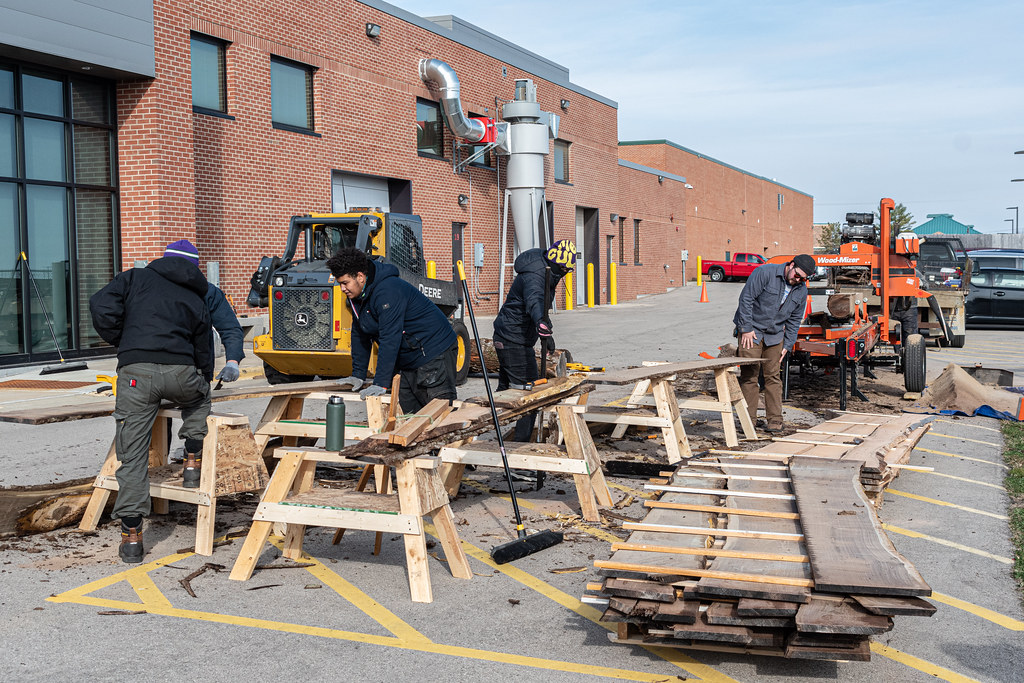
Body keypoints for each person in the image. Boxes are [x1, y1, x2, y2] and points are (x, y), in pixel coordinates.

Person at [90, 239, 214, 564]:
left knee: (131, 455)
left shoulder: (133, 278)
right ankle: (191, 460)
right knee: (201, 395)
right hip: (180, 373)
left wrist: (123, 340)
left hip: (135, 375)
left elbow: (99, 305)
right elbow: (204, 351)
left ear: (164, 259)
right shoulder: (196, 296)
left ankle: (132, 538)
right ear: (194, 267)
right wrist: (205, 378)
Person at [327, 247, 458, 413]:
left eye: (345, 283)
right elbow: (360, 333)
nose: (342, 288)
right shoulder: (358, 297)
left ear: (360, 277)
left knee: (437, 411)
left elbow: (390, 337)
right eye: (340, 284)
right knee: (408, 414)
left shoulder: (388, 290)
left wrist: (381, 382)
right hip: (408, 353)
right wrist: (358, 374)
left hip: (434, 350)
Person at [492, 239, 577, 442]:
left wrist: (547, 336)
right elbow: (535, 300)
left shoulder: (546, 269)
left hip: (514, 338)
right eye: (565, 269)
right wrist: (540, 321)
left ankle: (473, 437)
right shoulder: (536, 274)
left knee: (503, 393)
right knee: (530, 396)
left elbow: (542, 304)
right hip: (513, 339)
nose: (566, 273)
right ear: (559, 265)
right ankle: (519, 454)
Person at [732, 253, 815, 433]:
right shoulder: (764, 272)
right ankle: (748, 421)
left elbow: (794, 320)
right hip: (751, 331)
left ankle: (775, 421)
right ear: (791, 265)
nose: (798, 280)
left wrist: (787, 345)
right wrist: (745, 328)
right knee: (750, 376)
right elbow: (746, 299)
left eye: (803, 279)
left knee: (773, 377)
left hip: (775, 335)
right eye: (797, 275)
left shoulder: (801, 290)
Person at [164, 240, 245, 383]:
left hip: (149, 369)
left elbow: (230, 328)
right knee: (197, 403)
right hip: (195, 370)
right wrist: (232, 363)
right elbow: (231, 328)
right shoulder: (208, 291)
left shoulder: (146, 287)